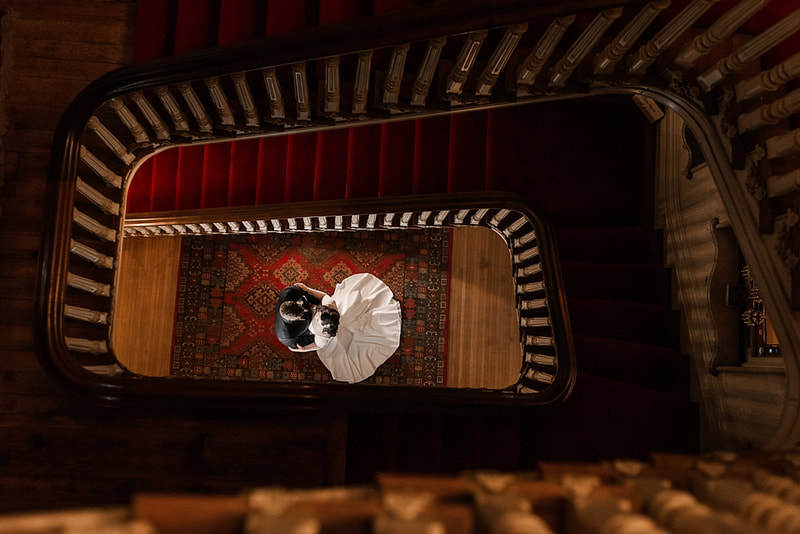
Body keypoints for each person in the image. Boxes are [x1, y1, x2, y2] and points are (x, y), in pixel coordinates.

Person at [306, 273, 402, 383]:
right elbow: (324, 297)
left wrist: (303, 349)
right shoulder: (330, 305)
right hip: (342, 319)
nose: (317, 317)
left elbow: (317, 345)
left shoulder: (323, 336)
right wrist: (308, 289)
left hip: (341, 326)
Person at [274, 283, 322, 352]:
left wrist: (317, 302)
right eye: (299, 317)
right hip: (310, 329)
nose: (304, 312)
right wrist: (318, 335)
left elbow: (303, 290)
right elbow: (300, 344)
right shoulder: (285, 335)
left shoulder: (288, 292)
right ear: (289, 319)